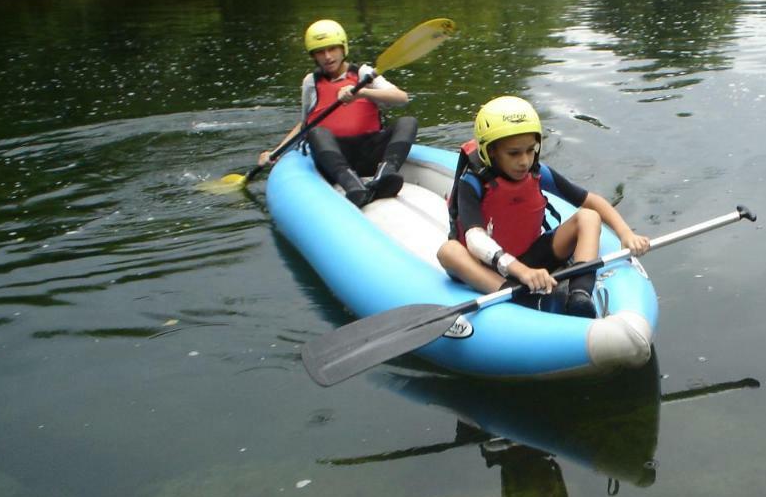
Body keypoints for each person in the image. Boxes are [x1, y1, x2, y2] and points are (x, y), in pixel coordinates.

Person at [438, 95, 649, 319]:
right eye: (514, 153)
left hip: (529, 257)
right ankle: (521, 297)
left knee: (588, 216)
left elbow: (592, 201)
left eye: (530, 150)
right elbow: (475, 239)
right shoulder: (472, 182)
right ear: (491, 151)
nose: (524, 161)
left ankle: (579, 295)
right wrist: (522, 272)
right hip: (487, 266)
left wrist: (626, 233)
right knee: (448, 251)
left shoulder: (537, 172)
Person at [258, 19, 418, 207]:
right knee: (316, 132)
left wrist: (362, 92)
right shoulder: (311, 82)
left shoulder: (364, 74)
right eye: (320, 51)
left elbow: (402, 97)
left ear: (343, 49)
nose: (327, 56)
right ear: (314, 56)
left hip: (371, 151)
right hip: (336, 159)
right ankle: (353, 185)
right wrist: (275, 152)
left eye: (332, 49)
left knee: (408, 121)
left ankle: (386, 173)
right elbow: (305, 125)